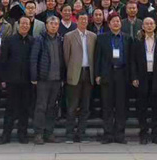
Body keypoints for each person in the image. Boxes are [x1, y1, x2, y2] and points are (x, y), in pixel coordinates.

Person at [94, 13, 132, 144]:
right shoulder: (101, 38)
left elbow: (130, 59)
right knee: (107, 106)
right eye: (113, 21)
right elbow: (97, 57)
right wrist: (97, 74)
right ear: (109, 24)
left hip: (122, 74)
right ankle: (108, 134)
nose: (116, 23)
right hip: (107, 74)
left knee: (121, 106)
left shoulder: (127, 38)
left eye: (118, 21)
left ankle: (120, 134)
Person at [131, 17, 157, 145]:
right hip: (142, 76)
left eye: (151, 23)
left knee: (156, 107)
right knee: (142, 107)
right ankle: (143, 134)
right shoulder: (137, 40)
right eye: (146, 24)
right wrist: (134, 77)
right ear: (142, 26)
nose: (149, 26)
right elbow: (133, 61)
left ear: (155, 25)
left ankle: (156, 134)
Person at [0, 16, 34, 144]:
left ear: (30, 26)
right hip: (12, 80)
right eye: (22, 23)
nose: (25, 26)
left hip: (27, 81)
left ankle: (22, 134)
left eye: (27, 24)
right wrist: (2, 78)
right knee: (10, 109)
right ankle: (6, 135)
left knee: (25, 109)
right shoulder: (9, 40)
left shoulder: (32, 41)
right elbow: (3, 60)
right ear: (18, 25)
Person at [30, 16, 65, 144]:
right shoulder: (40, 39)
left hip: (57, 79)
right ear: (46, 25)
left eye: (56, 24)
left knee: (52, 107)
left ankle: (49, 132)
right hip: (43, 79)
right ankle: (38, 133)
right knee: (41, 107)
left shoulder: (61, 40)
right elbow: (34, 59)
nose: (54, 26)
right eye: (51, 23)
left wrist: (63, 77)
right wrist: (34, 77)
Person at [63, 12, 96, 142]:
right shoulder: (69, 36)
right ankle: (69, 134)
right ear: (76, 20)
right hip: (74, 73)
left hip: (88, 73)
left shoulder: (93, 36)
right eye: (81, 19)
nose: (83, 21)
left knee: (85, 106)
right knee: (72, 106)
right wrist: (71, 70)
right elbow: (66, 57)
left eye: (85, 19)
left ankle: (81, 133)